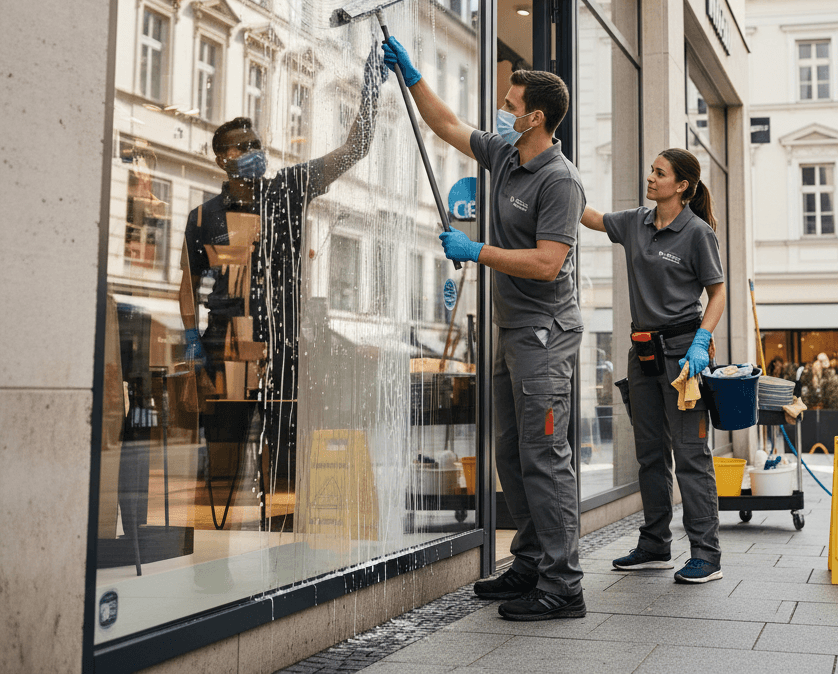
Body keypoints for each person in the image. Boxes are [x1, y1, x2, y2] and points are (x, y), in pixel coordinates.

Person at [382, 34, 587, 622]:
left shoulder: (559, 181)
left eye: (510, 102)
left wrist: (477, 250)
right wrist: (413, 73)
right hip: (510, 328)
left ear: (536, 117)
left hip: (545, 333)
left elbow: (549, 263)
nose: (502, 107)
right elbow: (446, 124)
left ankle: (564, 583)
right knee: (509, 450)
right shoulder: (505, 153)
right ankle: (529, 560)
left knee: (545, 454)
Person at [178, 46, 387, 511]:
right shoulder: (203, 218)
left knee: (286, 459)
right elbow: (188, 284)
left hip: (284, 348)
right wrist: (191, 338)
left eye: (257, 145)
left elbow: (354, 148)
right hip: (227, 347)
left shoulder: (287, 190)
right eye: (242, 147)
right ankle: (215, 565)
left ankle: (284, 551)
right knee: (224, 459)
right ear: (221, 159)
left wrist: (371, 87)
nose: (255, 153)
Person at [581, 148, 725, 584]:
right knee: (649, 454)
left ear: (681, 185)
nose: (651, 178)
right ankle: (655, 544)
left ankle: (706, 553)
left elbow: (716, 292)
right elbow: (590, 217)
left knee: (690, 456)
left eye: (660, 173)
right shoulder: (636, 223)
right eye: (651, 170)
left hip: (684, 355)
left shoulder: (697, 233)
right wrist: (555, 173)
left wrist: (702, 340)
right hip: (641, 351)